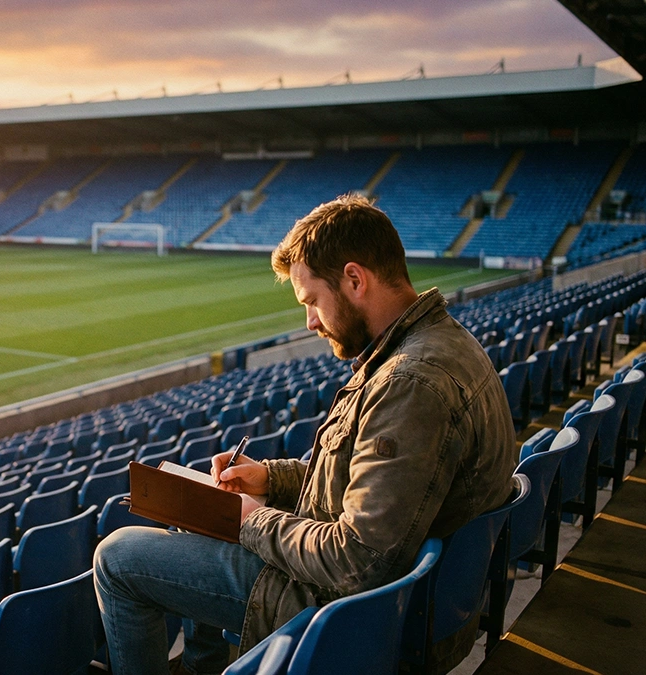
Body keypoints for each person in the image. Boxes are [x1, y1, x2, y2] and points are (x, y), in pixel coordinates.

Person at [93, 194, 517, 675]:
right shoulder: (438, 345)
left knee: (116, 559)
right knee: (194, 512)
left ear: (355, 279)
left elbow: (358, 561)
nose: (310, 321)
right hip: (383, 599)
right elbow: (365, 481)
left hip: (335, 608)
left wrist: (252, 521)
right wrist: (269, 480)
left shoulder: (410, 383)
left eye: (312, 301)